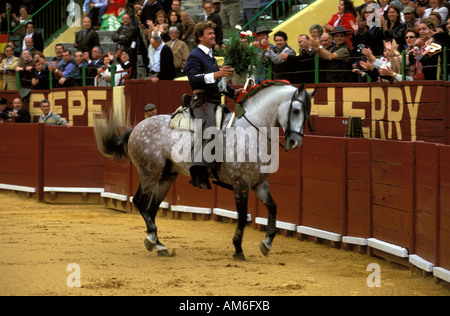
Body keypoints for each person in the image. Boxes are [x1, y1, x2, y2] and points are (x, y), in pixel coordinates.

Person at [184, 20, 243, 190]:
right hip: (201, 101)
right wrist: (217, 74)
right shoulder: (195, 55)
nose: (213, 36)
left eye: (213, 33)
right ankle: (200, 171)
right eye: (209, 33)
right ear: (199, 37)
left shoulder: (210, 56)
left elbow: (217, 84)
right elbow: (193, 79)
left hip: (215, 101)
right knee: (210, 129)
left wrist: (233, 92)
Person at [112, 13, 139, 78]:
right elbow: (113, 37)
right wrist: (121, 36)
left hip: (130, 53)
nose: (125, 20)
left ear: (130, 20)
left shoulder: (132, 28)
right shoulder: (120, 28)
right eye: (123, 18)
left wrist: (118, 38)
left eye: (127, 18)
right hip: (120, 53)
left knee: (130, 71)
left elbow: (126, 39)